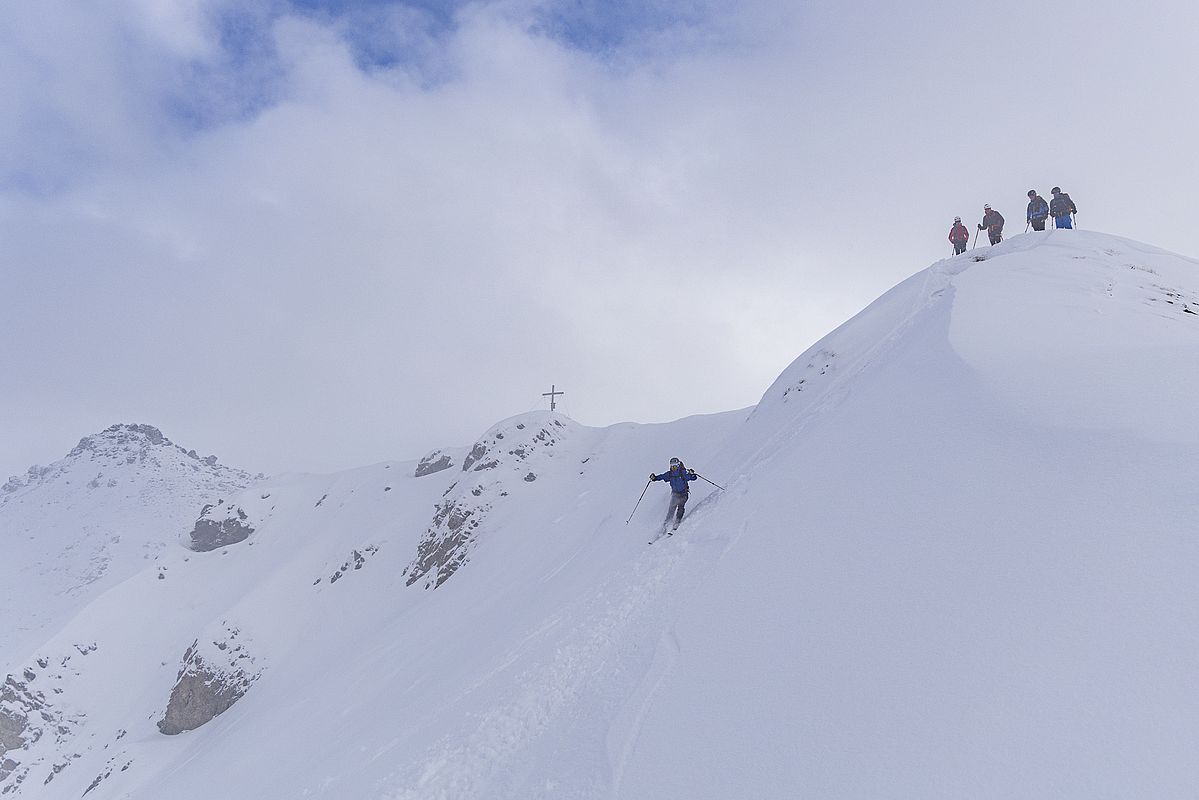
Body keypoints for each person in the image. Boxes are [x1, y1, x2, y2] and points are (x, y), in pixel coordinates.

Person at [649, 457, 698, 531]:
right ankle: (666, 524)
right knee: (671, 508)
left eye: (675, 466)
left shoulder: (683, 473)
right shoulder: (670, 474)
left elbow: (693, 478)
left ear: (678, 465)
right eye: (672, 466)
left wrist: (692, 474)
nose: (673, 468)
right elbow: (662, 476)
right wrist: (654, 478)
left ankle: (677, 521)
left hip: (683, 493)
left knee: (681, 507)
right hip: (675, 494)